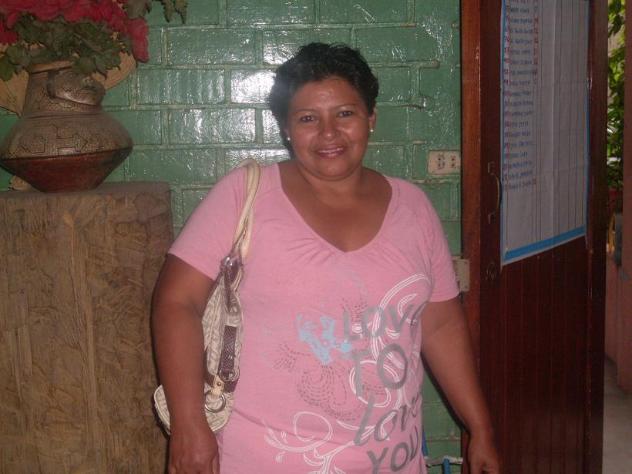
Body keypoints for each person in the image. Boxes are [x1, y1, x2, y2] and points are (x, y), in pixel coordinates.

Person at [152, 42, 500, 474]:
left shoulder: (414, 208)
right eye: (308, 118)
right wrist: (189, 425)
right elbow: (176, 302)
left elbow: (441, 325)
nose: (329, 133)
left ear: (371, 118)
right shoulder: (244, 195)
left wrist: (480, 427)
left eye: (345, 114)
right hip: (262, 459)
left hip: (392, 460)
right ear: (286, 128)